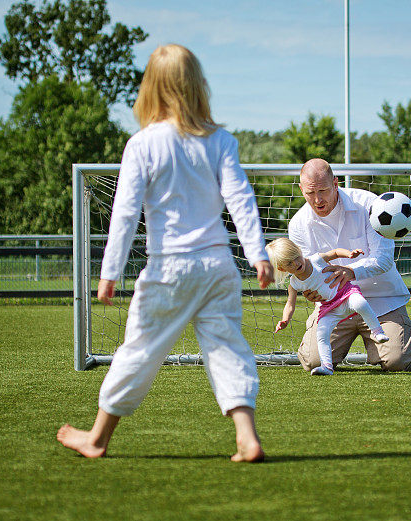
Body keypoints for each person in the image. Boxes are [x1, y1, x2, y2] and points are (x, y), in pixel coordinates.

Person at [56, 44, 274, 462]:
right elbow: (240, 199)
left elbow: (124, 214)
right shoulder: (221, 141)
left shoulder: (141, 145)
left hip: (169, 270)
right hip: (218, 266)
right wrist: (257, 254)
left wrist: (109, 272)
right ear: (198, 87)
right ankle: (246, 437)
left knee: (138, 350)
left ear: (150, 88)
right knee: (228, 348)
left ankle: (97, 439)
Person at [288, 158, 411, 372]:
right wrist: (309, 290)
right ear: (301, 189)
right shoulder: (297, 225)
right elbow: (307, 272)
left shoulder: (371, 205)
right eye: (310, 193)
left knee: (399, 361)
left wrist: (351, 271)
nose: (317, 200)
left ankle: (410, 340)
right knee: (312, 362)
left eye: (323, 190)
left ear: (336, 183)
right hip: (332, 304)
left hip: (381, 301)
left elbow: (384, 260)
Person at [266, 237, 390, 376]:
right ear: (282, 268)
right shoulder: (294, 284)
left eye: (296, 257)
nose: (296, 263)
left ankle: (377, 331)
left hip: (346, 295)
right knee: (322, 334)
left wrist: (349, 254)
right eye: (289, 263)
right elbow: (290, 304)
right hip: (329, 308)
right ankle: (327, 366)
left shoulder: (316, 260)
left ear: (299, 251)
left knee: (360, 303)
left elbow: (335, 252)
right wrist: (285, 320)